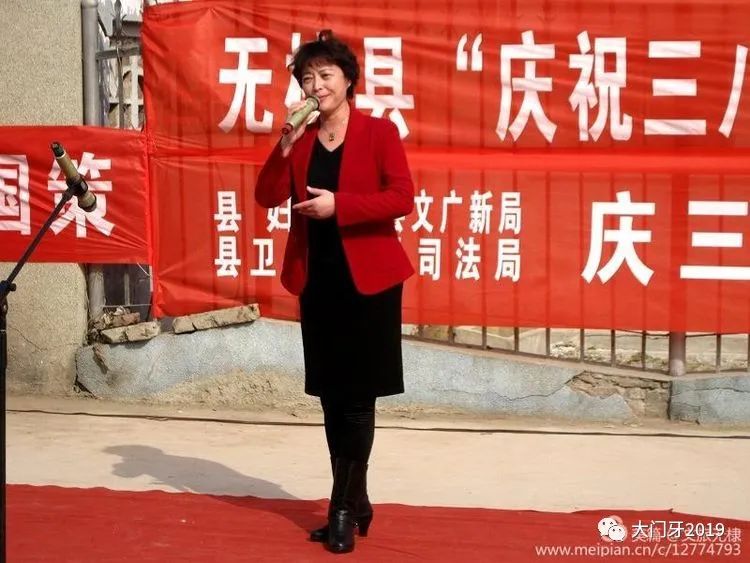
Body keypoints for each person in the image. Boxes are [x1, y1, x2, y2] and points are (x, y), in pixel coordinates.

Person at [254, 30, 415, 554]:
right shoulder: (300, 140)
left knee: (358, 399)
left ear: (348, 80)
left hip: (369, 283)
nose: (315, 85)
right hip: (318, 280)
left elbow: (402, 197)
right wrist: (283, 146)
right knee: (330, 397)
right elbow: (265, 196)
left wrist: (339, 205)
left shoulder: (378, 132)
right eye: (307, 78)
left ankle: (341, 509)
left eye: (325, 75)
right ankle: (355, 498)